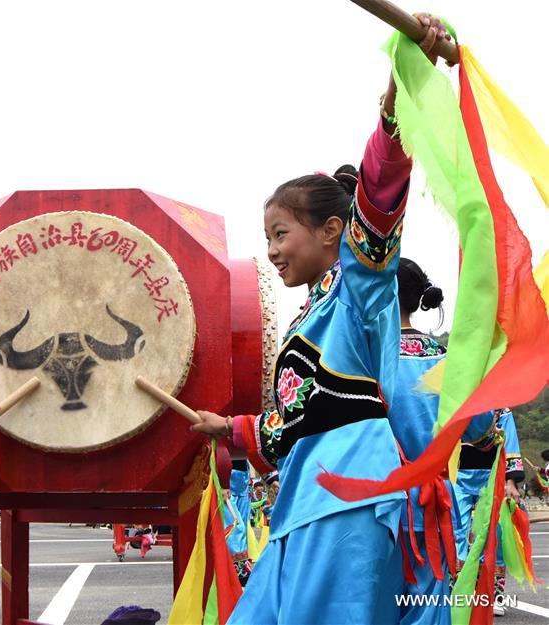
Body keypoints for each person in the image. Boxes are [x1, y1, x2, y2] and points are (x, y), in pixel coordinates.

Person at [191, 15, 455, 623]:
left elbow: (382, 192)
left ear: (334, 231)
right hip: (306, 502)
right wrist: (228, 430)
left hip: (350, 499)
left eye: (281, 234)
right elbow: (300, 419)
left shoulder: (357, 286)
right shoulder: (310, 315)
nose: (274, 250)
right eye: (268, 237)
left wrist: (402, 89)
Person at [390, 258, 498, 624]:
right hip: (430, 506)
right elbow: (481, 430)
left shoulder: (364, 360)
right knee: (426, 606)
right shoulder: (445, 362)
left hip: (374, 502)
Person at [453, 407, 524, 617]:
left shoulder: (501, 407)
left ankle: (494, 595)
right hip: (458, 475)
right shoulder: (457, 399)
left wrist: (510, 482)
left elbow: (509, 442)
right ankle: (459, 593)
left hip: (491, 475)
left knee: (495, 534)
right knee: (457, 531)